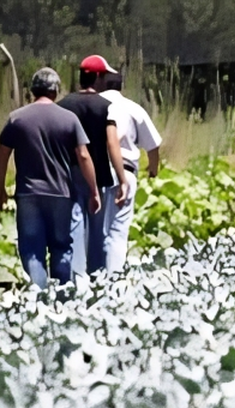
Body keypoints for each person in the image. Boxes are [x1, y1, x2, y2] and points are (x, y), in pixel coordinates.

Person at [0, 67, 100, 289]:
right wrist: (94, 190)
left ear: (33, 90)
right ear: (56, 91)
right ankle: (61, 295)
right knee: (61, 246)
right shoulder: (69, 119)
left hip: (28, 193)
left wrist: (0, 190)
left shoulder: (17, 118)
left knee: (32, 248)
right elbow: (83, 156)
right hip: (61, 193)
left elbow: (2, 157)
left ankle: (38, 294)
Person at [57, 55, 128, 277]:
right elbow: (112, 142)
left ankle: (76, 275)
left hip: (69, 171)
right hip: (98, 173)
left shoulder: (63, 105)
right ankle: (96, 275)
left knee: (74, 222)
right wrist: (122, 179)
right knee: (98, 229)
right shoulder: (107, 107)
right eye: (104, 76)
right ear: (97, 77)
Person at [98, 70, 163, 273]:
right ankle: (112, 281)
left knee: (92, 231)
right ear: (120, 86)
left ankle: (87, 281)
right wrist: (153, 170)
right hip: (124, 172)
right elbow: (152, 146)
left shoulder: (91, 105)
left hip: (92, 172)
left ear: (100, 83)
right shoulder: (133, 108)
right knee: (116, 231)